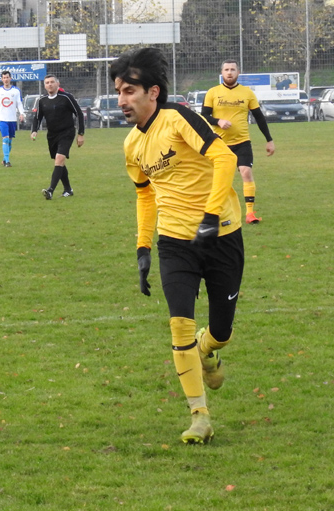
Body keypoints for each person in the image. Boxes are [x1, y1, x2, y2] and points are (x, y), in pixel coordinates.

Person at [111, 47, 243, 444]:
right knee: (179, 322)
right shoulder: (131, 145)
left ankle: (209, 348)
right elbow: (145, 195)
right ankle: (199, 416)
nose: (121, 100)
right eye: (118, 91)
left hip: (221, 236)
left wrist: (210, 214)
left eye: (129, 90)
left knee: (221, 330)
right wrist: (142, 247)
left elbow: (224, 159)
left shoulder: (178, 118)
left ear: (152, 92)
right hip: (174, 244)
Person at [202, 60, 274, 224]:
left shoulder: (247, 93)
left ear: (238, 72)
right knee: (217, 179)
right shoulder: (213, 92)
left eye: (232, 69)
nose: (229, 72)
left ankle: (249, 214)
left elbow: (259, 117)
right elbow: (204, 116)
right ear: (222, 72)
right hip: (218, 143)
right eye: (226, 69)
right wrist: (218, 121)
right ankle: (213, 212)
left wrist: (269, 140)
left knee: (246, 172)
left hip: (242, 141)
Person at [30, 75, 85, 199]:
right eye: (47, 82)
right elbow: (37, 117)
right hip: (52, 135)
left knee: (59, 159)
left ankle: (50, 190)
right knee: (58, 162)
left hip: (67, 132)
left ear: (57, 84)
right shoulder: (42, 101)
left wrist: (80, 134)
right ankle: (68, 189)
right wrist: (34, 131)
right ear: (44, 85)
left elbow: (79, 114)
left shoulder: (66, 98)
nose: (50, 84)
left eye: (52, 82)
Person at [0, 70, 25, 167]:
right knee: (5, 139)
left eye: (7, 77)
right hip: (2, 119)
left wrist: (22, 113)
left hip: (12, 119)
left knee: (10, 140)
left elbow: (19, 103)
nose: (6, 79)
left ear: (10, 78)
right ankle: (7, 162)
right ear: (1, 79)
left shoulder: (16, 91)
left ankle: (4, 159)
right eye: (4, 78)